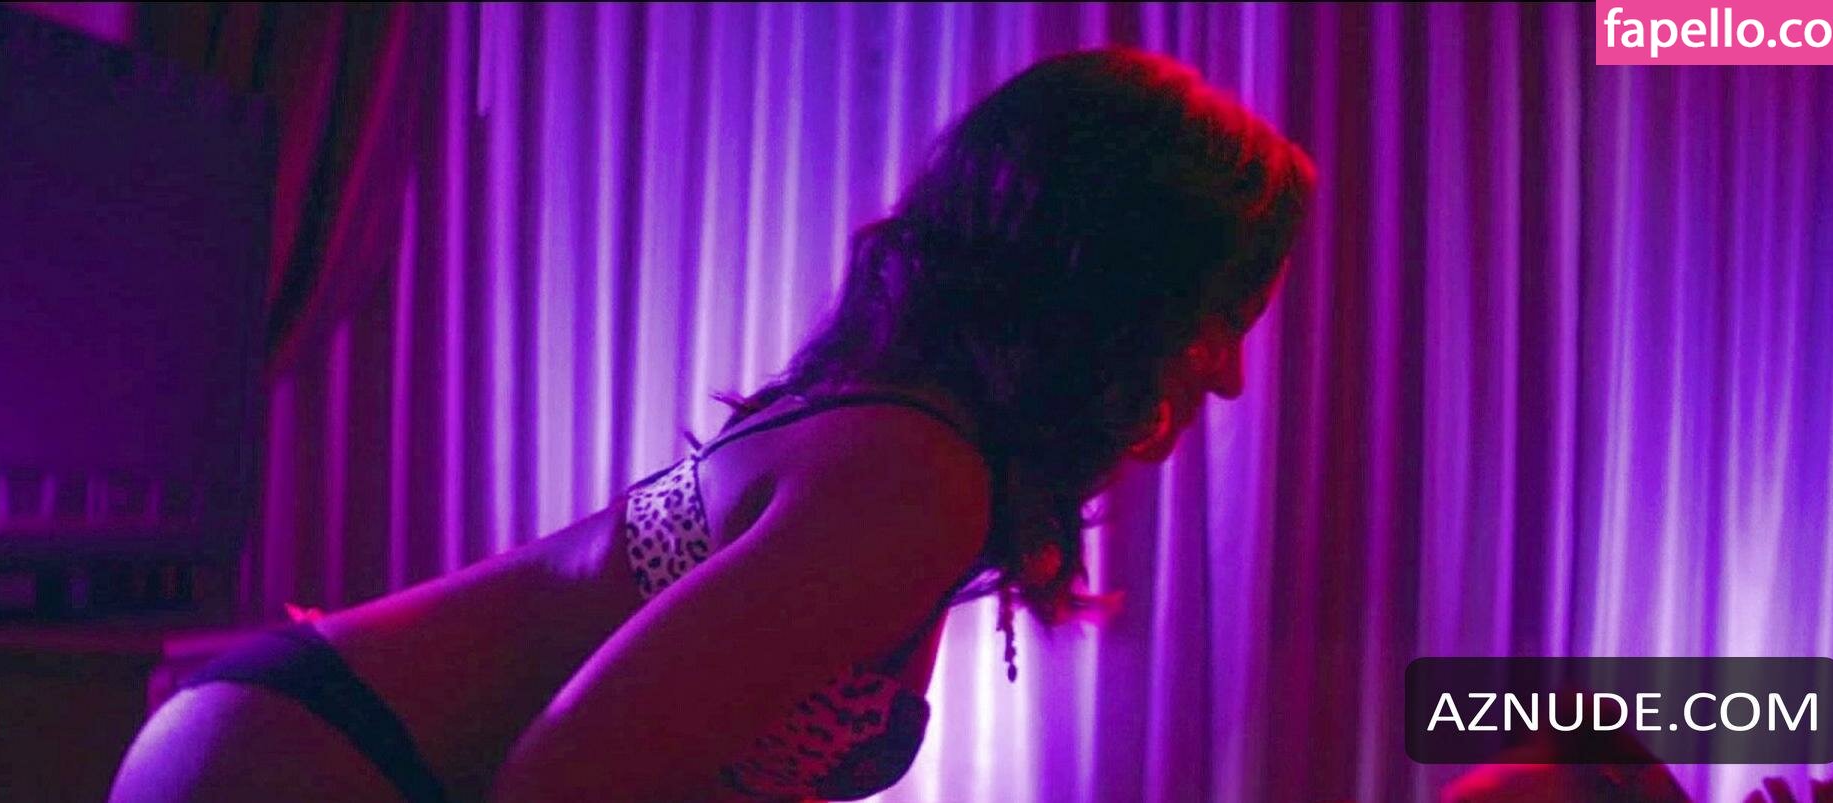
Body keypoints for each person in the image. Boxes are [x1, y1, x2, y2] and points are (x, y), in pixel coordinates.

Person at [109, 46, 1314, 803]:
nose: (1225, 376)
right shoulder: (916, 474)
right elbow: (566, 781)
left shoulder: (914, 445)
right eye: (1212, 315)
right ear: (1105, 284)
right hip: (320, 757)